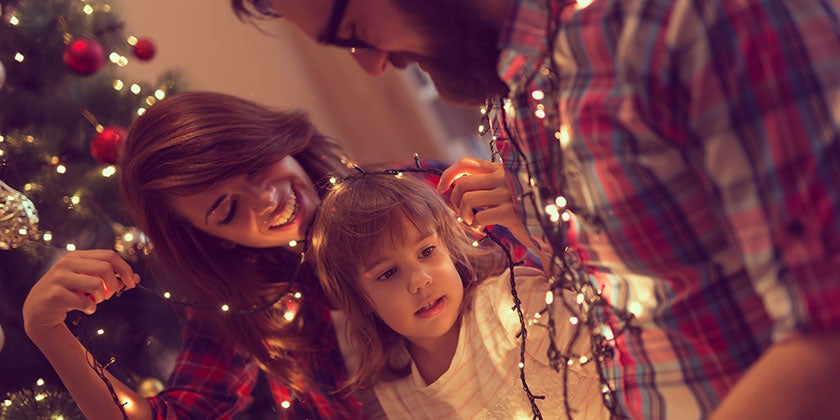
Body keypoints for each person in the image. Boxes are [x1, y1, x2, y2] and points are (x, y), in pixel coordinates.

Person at [231, 1, 840, 419]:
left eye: (355, 29)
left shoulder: (677, 23)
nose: (368, 64)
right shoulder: (515, 96)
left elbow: (827, 328)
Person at [22, 91, 372, 419]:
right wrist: (48, 331)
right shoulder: (248, 304)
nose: (266, 199)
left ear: (271, 137)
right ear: (215, 240)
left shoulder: (402, 198)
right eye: (228, 211)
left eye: (254, 165)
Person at [310, 172, 607, 419]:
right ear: (361, 300)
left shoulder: (508, 304)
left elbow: (612, 346)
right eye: (388, 273)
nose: (420, 280)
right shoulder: (397, 391)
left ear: (449, 248)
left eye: (427, 251)